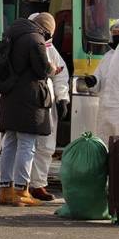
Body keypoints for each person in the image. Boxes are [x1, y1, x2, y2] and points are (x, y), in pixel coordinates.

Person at [0, 16, 58, 207]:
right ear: (46, 29)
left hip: (9, 97)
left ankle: (5, 189)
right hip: (29, 99)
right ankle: (22, 191)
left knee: (9, 143)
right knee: (27, 144)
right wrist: (53, 69)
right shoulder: (35, 39)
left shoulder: (12, 35)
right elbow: (41, 68)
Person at [28, 12, 70, 201]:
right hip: (27, 100)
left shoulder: (49, 47)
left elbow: (61, 74)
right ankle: (17, 184)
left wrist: (62, 98)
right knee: (23, 144)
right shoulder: (25, 43)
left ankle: (38, 184)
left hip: (46, 101)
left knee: (45, 145)